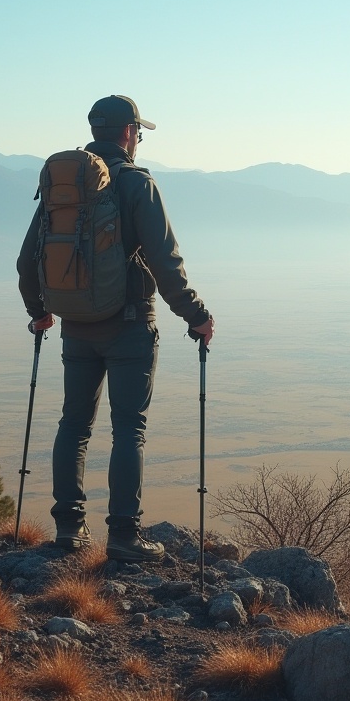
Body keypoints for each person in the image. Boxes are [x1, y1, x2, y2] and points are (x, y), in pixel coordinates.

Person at [17, 95, 214, 563]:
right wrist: (197, 315)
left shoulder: (64, 185)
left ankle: (69, 530)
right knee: (129, 428)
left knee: (74, 424)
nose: (139, 139)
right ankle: (124, 537)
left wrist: (39, 311)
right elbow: (166, 262)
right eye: (139, 132)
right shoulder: (135, 184)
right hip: (127, 324)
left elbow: (28, 260)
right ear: (128, 133)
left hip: (75, 325)